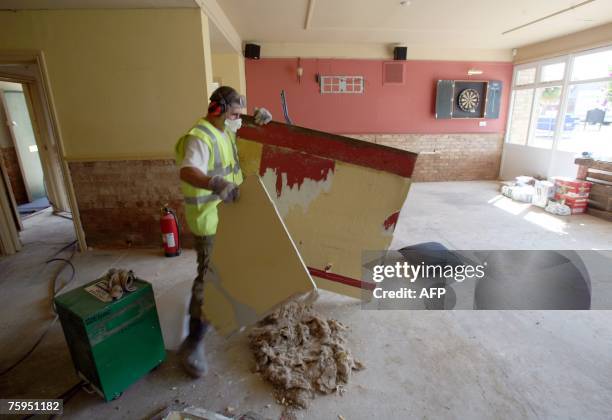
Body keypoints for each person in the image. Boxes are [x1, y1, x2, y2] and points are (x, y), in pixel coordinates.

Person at [174, 86, 272, 377]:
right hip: (209, 221)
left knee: (238, 268)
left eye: (239, 116)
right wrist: (215, 183)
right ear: (217, 110)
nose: (236, 120)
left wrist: (257, 121)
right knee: (207, 282)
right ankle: (192, 343)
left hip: (230, 217)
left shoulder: (224, 131)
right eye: (234, 115)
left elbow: (236, 134)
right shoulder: (199, 137)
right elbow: (188, 171)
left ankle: (239, 313)